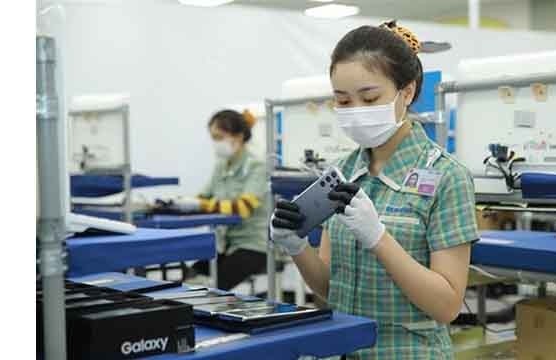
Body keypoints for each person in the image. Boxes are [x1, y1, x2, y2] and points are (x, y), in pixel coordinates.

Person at [270, 21, 478, 359]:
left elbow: (447, 306)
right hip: (345, 349)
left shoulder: (447, 176)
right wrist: (295, 246)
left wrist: (379, 239)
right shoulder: (345, 173)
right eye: (343, 101)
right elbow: (328, 289)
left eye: (369, 98)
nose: (356, 112)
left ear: (407, 92)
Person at [163, 109, 269, 291]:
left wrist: (203, 205)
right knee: (188, 281)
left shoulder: (257, 167)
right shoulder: (221, 166)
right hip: (224, 246)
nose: (216, 143)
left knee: (212, 288)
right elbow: (202, 198)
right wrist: (179, 203)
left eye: (220, 137)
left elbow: (243, 207)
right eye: (214, 138)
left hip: (253, 246)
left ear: (240, 136)